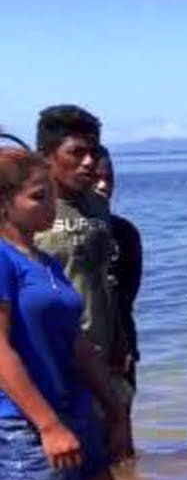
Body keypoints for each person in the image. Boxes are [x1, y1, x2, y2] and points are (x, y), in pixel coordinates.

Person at [0, 148, 130, 480]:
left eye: (51, 195)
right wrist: (48, 425)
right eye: (39, 197)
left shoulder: (45, 262)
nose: (51, 207)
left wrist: (114, 407)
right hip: (28, 421)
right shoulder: (2, 260)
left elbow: (76, 343)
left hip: (74, 408)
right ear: (4, 203)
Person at [32, 105, 135, 459]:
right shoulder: (28, 210)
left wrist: (120, 337)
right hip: (53, 363)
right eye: (76, 153)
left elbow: (106, 278)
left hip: (102, 356)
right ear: (46, 157)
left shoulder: (97, 206)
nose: (89, 162)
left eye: (93, 151)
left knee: (110, 470)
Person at [94, 147, 143, 391]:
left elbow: (127, 295)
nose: (103, 186)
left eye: (108, 178)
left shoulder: (125, 232)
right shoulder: (48, 233)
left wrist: (125, 345)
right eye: (95, 179)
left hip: (120, 348)